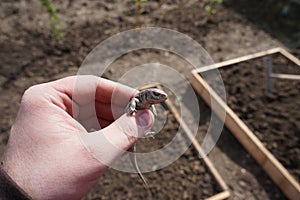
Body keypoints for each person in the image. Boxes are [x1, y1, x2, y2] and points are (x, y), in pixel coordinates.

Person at [0, 76, 154, 199]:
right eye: (155, 95)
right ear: (147, 95)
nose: (160, 97)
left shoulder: (146, 100)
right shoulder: (138, 99)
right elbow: (134, 101)